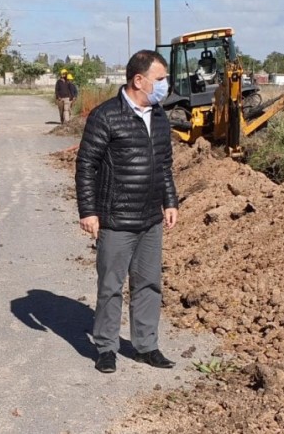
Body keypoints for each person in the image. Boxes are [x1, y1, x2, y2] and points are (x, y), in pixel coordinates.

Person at [75, 49, 179, 374]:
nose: (165, 85)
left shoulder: (159, 116)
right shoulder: (106, 115)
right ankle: (106, 347)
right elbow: (85, 164)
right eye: (160, 79)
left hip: (150, 219)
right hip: (117, 219)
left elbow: (164, 164)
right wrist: (88, 211)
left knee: (148, 283)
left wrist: (170, 201)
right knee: (110, 285)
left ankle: (146, 345)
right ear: (139, 80)